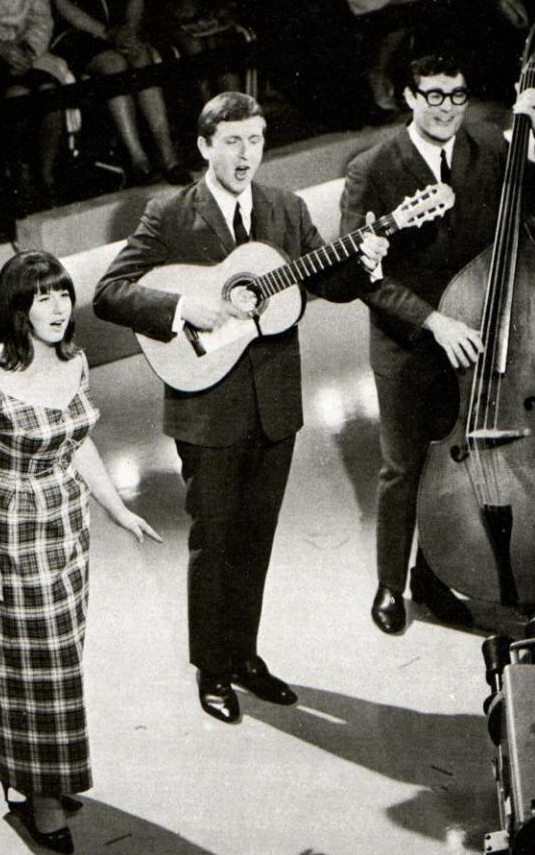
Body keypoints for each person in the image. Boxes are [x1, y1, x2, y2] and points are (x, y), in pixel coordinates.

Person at [93, 92, 388, 724]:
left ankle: (245, 656)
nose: (245, 154)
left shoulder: (285, 208)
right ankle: (213, 668)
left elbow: (325, 283)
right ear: (204, 147)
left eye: (254, 141)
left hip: (275, 404)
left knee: (255, 541)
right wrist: (180, 309)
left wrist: (361, 263)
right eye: (231, 142)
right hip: (206, 403)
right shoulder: (169, 214)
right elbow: (110, 292)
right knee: (214, 540)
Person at [339, 53, 535, 635]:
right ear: (409, 97)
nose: (447, 107)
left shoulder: (491, 148)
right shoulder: (370, 169)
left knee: (462, 465)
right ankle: (391, 585)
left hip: (482, 337)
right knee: (404, 469)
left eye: (458, 95)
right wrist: (433, 323)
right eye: (434, 95)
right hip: (412, 345)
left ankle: (435, 574)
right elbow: (361, 276)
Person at [0, 250, 161, 855]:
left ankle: (45, 771)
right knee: (33, 668)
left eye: (62, 295)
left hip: (67, 525)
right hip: (12, 531)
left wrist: (118, 509)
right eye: (41, 298)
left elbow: (79, 444)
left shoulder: (75, 360)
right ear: (15, 309)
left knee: (61, 661)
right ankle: (40, 796)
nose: (56, 308)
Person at [51, 0, 191, 185]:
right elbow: (62, 3)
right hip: (78, 33)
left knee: (141, 55)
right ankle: (138, 159)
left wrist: (130, 29)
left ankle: (168, 156)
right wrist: (106, 33)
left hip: (118, 31)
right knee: (114, 64)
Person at [0, 0, 67, 215]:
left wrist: (28, 50)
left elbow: (42, 19)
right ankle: (20, 181)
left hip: (29, 55)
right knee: (17, 96)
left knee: (50, 92)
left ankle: (47, 177)